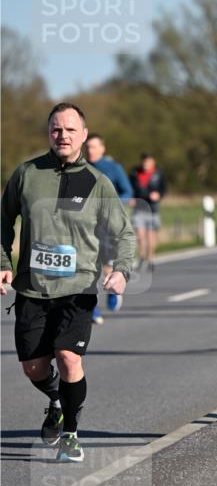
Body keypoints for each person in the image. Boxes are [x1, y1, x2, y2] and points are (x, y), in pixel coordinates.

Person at [1, 103, 135, 462]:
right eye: (56, 129)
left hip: (78, 289)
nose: (63, 135)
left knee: (68, 357)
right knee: (34, 368)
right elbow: (3, 220)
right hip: (32, 288)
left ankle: (71, 435)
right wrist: (3, 262)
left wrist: (122, 269)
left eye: (71, 130)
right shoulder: (27, 174)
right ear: (49, 133)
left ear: (84, 135)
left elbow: (123, 233)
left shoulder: (97, 182)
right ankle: (56, 400)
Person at [85, 133, 133, 320]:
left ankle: (112, 289)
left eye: (94, 146)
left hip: (107, 224)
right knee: (86, 265)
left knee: (105, 265)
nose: (90, 150)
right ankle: (90, 307)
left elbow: (127, 191)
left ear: (102, 148)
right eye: (87, 147)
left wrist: (113, 205)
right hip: (83, 224)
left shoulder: (113, 168)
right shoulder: (80, 167)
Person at [129, 154, 166, 270]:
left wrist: (158, 195)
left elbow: (164, 189)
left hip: (152, 209)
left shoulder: (158, 174)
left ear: (153, 163)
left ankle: (151, 258)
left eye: (148, 162)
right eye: (144, 162)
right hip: (139, 208)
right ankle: (142, 257)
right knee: (140, 236)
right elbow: (129, 188)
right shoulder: (134, 173)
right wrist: (131, 198)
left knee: (150, 236)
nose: (146, 164)